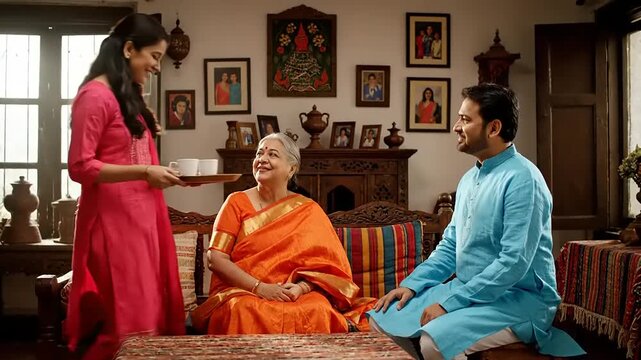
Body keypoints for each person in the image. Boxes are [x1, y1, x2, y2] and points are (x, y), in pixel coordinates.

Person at [367, 83, 585, 360]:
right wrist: (411, 284)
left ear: (493, 128)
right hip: (468, 291)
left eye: (466, 119)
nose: (456, 126)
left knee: (434, 341)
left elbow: (513, 263)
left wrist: (448, 305)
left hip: (520, 300)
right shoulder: (469, 179)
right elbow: (450, 247)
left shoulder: (524, 180)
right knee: (382, 318)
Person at [66, 13, 186, 360]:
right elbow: (80, 166)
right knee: (127, 319)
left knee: (150, 314)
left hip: (144, 219)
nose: (156, 67)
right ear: (129, 49)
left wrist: (166, 176)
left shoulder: (125, 98)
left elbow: (138, 163)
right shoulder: (95, 96)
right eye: (155, 57)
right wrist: (145, 172)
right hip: (113, 223)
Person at [190, 133, 375, 334]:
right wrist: (260, 288)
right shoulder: (236, 202)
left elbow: (329, 269)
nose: (262, 159)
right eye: (259, 153)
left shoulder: (308, 210)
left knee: (317, 308)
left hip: (293, 292)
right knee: (243, 311)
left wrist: (301, 288)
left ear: (292, 168)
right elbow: (215, 258)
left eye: (273, 154)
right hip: (243, 291)